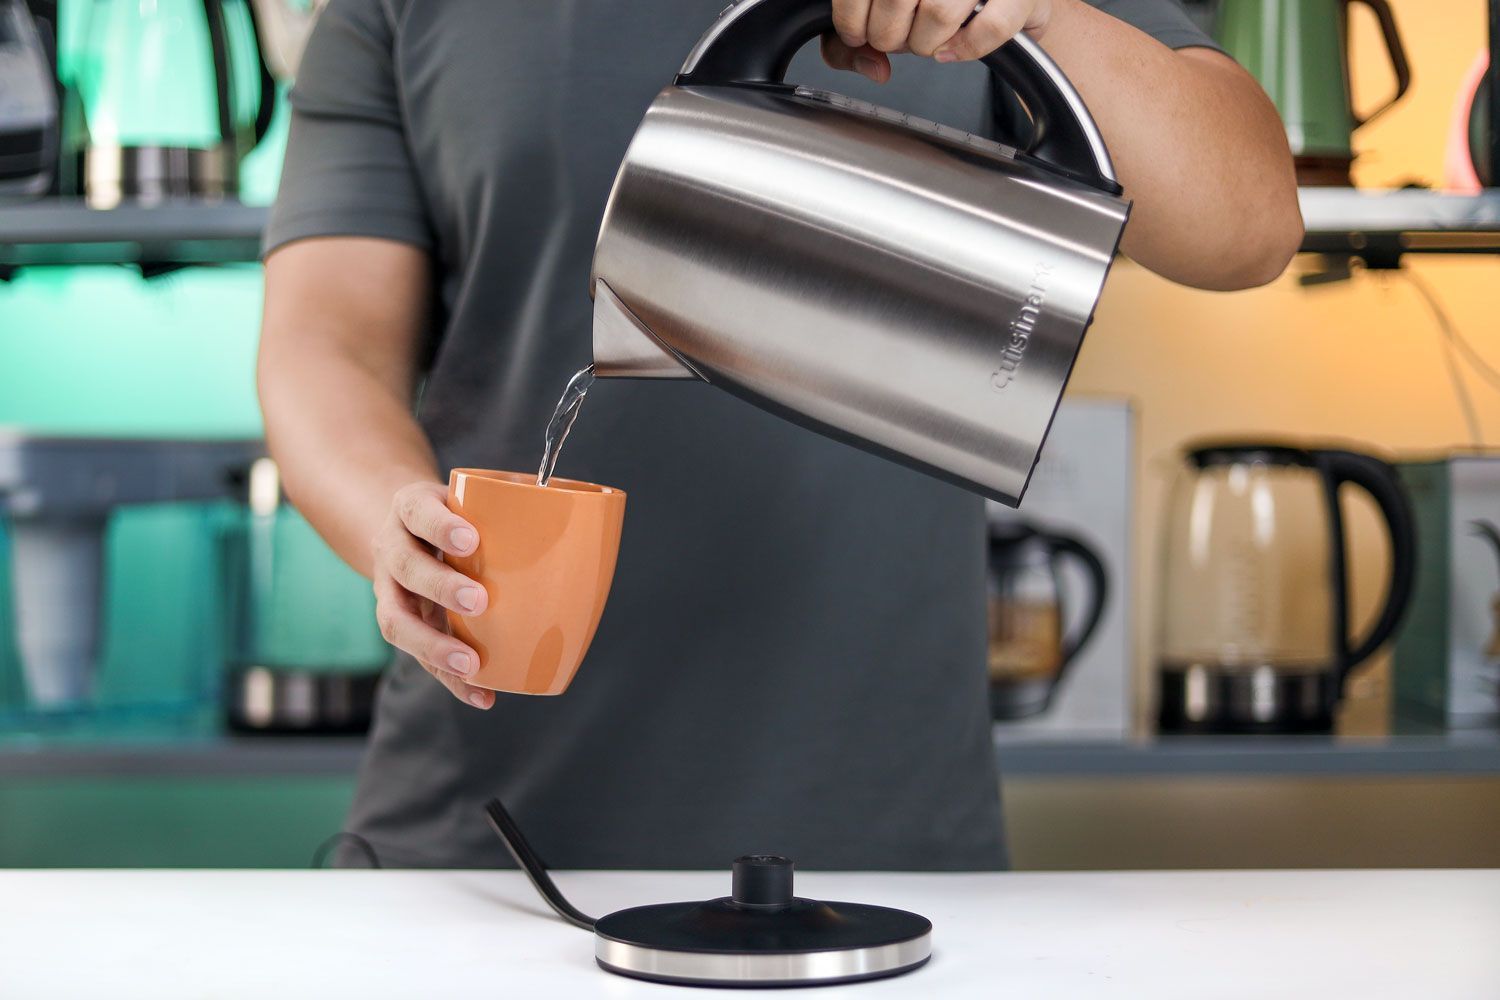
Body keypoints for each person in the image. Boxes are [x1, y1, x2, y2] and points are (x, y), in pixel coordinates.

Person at [259, 0, 1301, 869]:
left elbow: (1250, 221)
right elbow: (324, 346)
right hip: (482, 843)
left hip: (880, 835)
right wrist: (389, 524)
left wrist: (1020, 7)